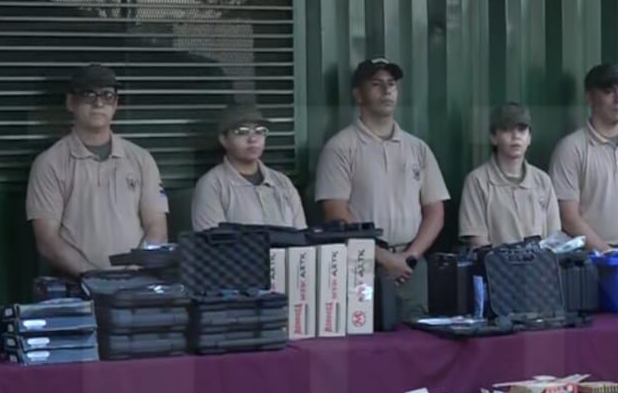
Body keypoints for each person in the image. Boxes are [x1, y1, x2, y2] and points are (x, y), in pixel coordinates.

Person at [314, 57, 448, 320]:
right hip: (361, 265)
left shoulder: (418, 148)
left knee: (416, 349)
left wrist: (409, 258)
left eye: (391, 84)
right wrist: (384, 258)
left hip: (411, 267)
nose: (387, 90)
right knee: (367, 350)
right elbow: (336, 213)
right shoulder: (340, 147)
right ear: (358, 95)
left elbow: (435, 211)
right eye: (376, 84)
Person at [26, 64, 167, 276]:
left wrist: (134, 272)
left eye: (108, 95)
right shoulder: (49, 163)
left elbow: (157, 228)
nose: (99, 103)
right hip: (75, 285)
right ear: (71, 102)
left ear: (116, 104)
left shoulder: (141, 159)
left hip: (136, 284)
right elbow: (47, 240)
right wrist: (95, 278)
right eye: (88, 95)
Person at [548, 63, 618, 252]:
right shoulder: (570, 149)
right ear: (590, 97)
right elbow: (568, 216)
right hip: (589, 258)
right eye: (609, 91)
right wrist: (607, 253)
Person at [458, 103, 560, 249]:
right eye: (506, 129)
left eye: (522, 129)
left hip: (540, 268)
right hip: (495, 269)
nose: (516, 136)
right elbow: (477, 241)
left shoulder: (543, 181)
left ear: (529, 137)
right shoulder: (477, 181)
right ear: (493, 137)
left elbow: (554, 238)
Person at [191, 103, 306, 231]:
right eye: (242, 132)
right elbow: (213, 244)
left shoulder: (283, 183)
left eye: (260, 131)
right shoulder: (212, 184)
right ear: (224, 139)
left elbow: (302, 237)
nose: (253, 139)